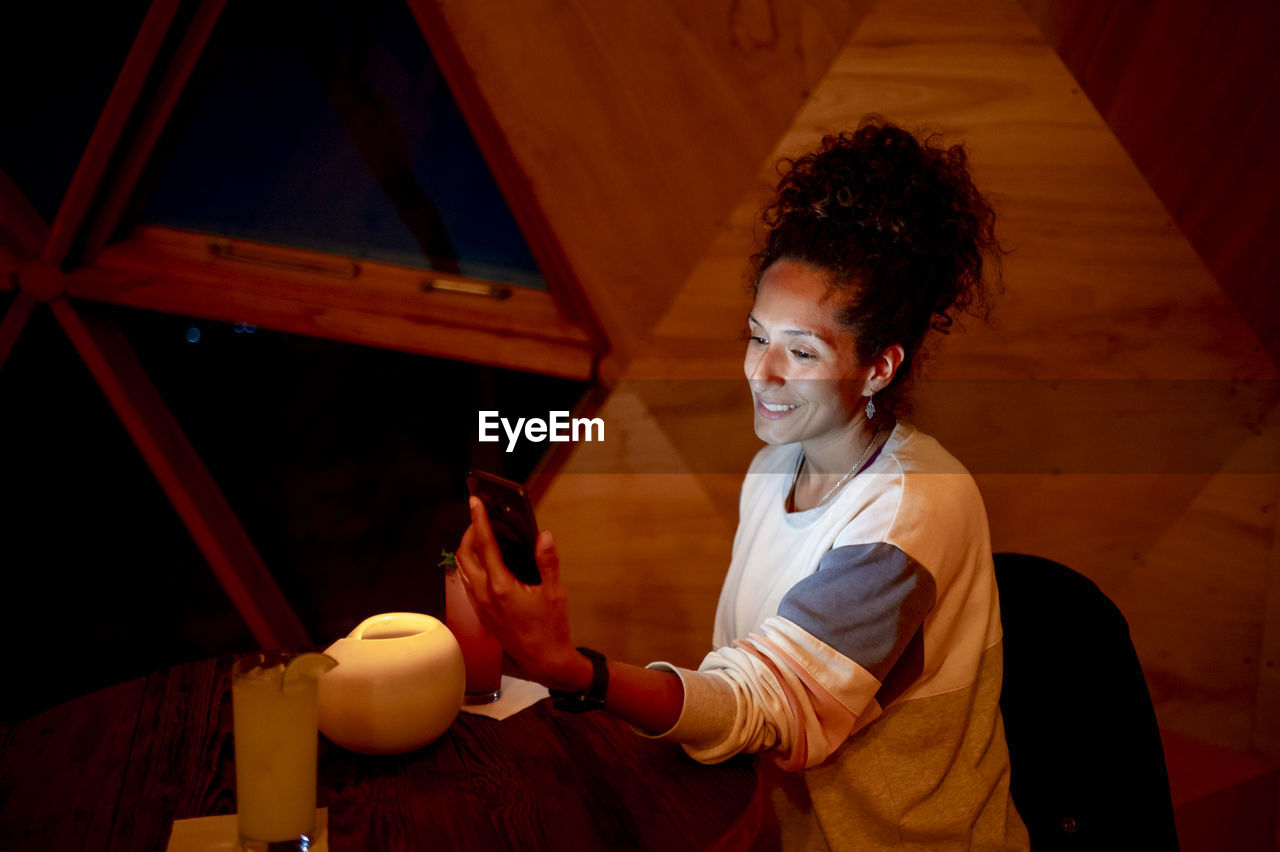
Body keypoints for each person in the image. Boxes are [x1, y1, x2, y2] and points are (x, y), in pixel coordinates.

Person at [456, 117, 1029, 850]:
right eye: (758, 336)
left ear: (880, 366)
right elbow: (744, 679)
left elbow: (760, 705)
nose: (763, 372)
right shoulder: (772, 471)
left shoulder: (915, 510)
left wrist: (575, 671)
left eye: (802, 350)